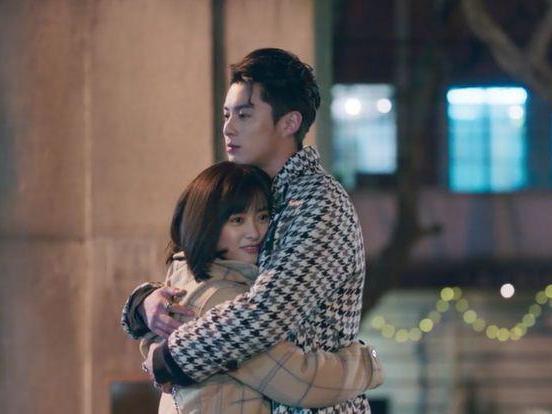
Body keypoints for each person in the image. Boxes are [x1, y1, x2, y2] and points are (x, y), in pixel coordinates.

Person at [122, 48, 374, 412]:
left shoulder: (319, 203)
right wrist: (143, 304)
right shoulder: (252, 191)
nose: (228, 127)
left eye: (244, 114)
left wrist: (170, 358)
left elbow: (264, 314)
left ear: (289, 123)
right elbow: (200, 268)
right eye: (227, 114)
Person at [139, 161, 382, 413]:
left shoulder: (190, 278)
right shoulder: (217, 295)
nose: (254, 232)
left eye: (263, 217)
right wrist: (368, 365)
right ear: (206, 224)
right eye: (237, 220)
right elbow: (299, 381)